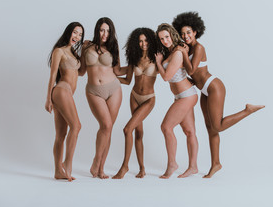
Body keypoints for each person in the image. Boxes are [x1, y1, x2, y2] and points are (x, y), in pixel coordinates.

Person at [172, 12, 265, 178]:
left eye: (188, 32)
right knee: (210, 128)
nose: (185, 36)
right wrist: (191, 80)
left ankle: (247, 110)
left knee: (218, 126)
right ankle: (216, 164)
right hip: (204, 91)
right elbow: (191, 73)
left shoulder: (199, 48)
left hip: (214, 86)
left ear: (195, 32)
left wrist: (184, 54)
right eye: (182, 33)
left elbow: (192, 69)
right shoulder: (189, 48)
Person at [79, 17, 126, 179]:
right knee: (105, 125)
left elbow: (118, 71)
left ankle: (100, 169)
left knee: (108, 128)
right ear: (97, 30)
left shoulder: (113, 47)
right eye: (102, 30)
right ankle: (96, 162)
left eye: (108, 30)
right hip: (94, 91)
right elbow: (81, 71)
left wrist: (135, 64)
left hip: (114, 89)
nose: (105, 34)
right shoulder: (86, 46)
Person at [112, 28, 159, 179]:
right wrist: (110, 78)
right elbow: (126, 80)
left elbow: (170, 70)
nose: (143, 43)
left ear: (151, 41)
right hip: (134, 97)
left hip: (149, 99)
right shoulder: (134, 59)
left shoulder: (157, 59)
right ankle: (142, 169)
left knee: (127, 129)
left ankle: (124, 166)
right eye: (140, 41)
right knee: (138, 133)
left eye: (146, 40)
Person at [155, 23, 199, 179]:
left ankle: (172, 164)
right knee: (189, 132)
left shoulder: (178, 52)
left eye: (166, 37)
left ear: (172, 34)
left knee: (166, 127)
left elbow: (166, 77)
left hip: (187, 95)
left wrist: (159, 63)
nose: (165, 41)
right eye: (161, 39)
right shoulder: (173, 51)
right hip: (181, 96)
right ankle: (193, 167)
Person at [45, 22, 84, 181]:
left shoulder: (74, 53)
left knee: (61, 134)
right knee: (77, 126)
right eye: (75, 32)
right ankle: (67, 163)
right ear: (68, 32)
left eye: (80, 34)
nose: (77, 37)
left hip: (67, 93)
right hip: (61, 90)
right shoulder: (59, 51)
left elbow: (81, 73)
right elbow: (53, 75)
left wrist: (87, 49)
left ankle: (57, 171)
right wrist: (48, 98)